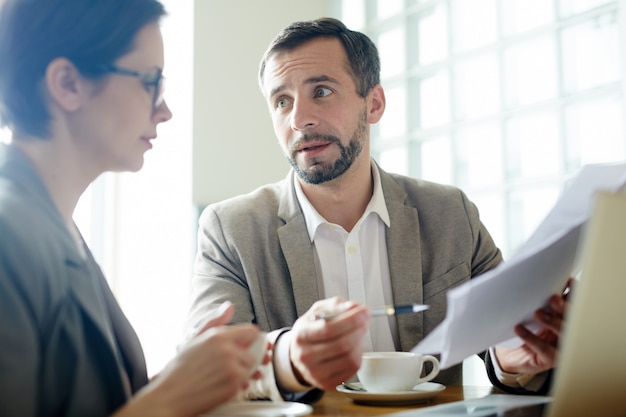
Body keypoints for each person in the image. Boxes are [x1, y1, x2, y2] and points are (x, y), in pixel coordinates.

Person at [185, 17, 568, 402]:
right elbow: (207, 372)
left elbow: (503, 339)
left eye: (321, 91)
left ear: (374, 103)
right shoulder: (230, 229)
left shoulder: (451, 214)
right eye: (281, 101)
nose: (299, 119)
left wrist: (515, 357)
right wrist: (289, 356)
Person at [0, 1, 266, 416]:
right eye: (150, 81)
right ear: (67, 83)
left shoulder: (54, 224)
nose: (165, 110)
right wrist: (171, 396)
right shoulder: (9, 234)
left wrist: (187, 376)